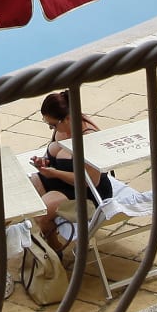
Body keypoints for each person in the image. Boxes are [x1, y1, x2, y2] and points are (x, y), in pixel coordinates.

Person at [28, 91, 111, 254]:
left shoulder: (89, 138)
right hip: (61, 182)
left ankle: (55, 251)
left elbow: (90, 181)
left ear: (67, 118)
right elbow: (53, 156)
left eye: (53, 125)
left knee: (41, 211)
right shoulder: (63, 128)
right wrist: (44, 162)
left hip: (87, 192)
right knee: (23, 194)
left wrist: (55, 173)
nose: (51, 128)